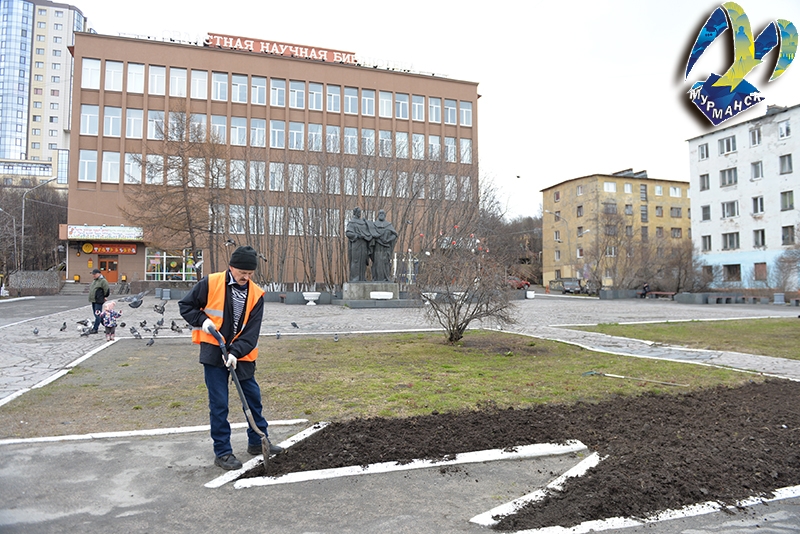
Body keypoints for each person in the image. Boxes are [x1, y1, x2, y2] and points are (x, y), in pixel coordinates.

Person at [178, 245, 283, 470]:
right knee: (219, 404)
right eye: (242, 273)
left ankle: (258, 441)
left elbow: (252, 332)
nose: (246, 277)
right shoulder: (211, 282)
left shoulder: (256, 295)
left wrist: (235, 352)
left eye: (250, 273)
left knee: (253, 398)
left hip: (242, 355)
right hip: (214, 352)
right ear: (231, 267)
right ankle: (223, 452)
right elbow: (186, 306)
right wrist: (203, 321)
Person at [369, 209, 398, 282]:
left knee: (385, 262)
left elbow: (394, 235)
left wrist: (388, 240)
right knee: (377, 263)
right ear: (378, 215)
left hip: (386, 248)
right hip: (377, 248)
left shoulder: (389, 225)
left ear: (385, 215)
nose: (381, 214)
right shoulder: (374, 225)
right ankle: (377, 278)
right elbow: (371, 235)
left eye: (383, 213)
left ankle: (385, 277)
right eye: (380, 213)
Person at [345, 207, 373, 282]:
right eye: (358, 212)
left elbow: (368, 231)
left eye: (360, 212)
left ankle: (362, 277)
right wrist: (357, 236)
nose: (359, 213)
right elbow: (348, 233)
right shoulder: (352, 222)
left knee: (363, 261)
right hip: (356, 244)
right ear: (355, 213)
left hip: (364, 244)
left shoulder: (363, 222)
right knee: (356, 261)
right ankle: (355, 278)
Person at [88, 268, 110, 334]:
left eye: (94, 274)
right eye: (93, 274)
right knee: (98, 315)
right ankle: (108, 326)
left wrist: (104, 296)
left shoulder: (103, 281)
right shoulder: (95, 281)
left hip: (98, 300)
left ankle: (95, 329)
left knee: (98, 315)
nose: (93, 275)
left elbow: (106, 289)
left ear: (99, 274)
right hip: (93, 300)